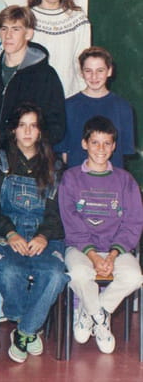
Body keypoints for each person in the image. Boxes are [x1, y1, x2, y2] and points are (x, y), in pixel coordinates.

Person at [0, 103, 69, 364]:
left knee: (55, 274)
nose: (28, 131)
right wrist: (10, 233)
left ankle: (23, 331)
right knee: (10, 272)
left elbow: (58, 211)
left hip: (45, 236)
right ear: (13, 130)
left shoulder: (55, 166)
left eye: (33, 126)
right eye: (22, 125)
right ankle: (30, 325)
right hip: (7, 234)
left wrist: (43, 235)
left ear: (40, 131)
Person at [59, 116, 143, 354]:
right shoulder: (71, 178)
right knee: (78, 274)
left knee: (135, 277)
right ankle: (99, 315)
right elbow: (70, 222)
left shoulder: (125, 180)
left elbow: (133, 222)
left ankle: (94, 312)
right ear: (84, 144)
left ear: (114, 146)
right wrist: (94, 257)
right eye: (95, 142)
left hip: (116, 249)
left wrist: (113, 255)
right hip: (80, 248)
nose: (101, 149)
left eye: (107, 143)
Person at [0, 5, 66, 160]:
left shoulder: (46, 75)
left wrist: (29, 153)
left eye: (16, 29)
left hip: (26, 162)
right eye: (4, 29)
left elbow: (55, 125)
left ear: (28, 34)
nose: (8, 35)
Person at [56, 46, 135, 169]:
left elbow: (123, 152)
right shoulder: (68, 107)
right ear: (81, 72)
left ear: (109, 71)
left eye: (100, 70)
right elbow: (64, 154)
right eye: (88, 71)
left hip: (111, 178)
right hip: (78, 178)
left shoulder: (123, 107)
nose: (94, 77)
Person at [27, 0, 92, 97]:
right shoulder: (27, 17)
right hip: (35, 93)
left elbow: (82, 60)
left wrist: (83, 94)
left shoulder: (77, 18)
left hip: (69, 94)